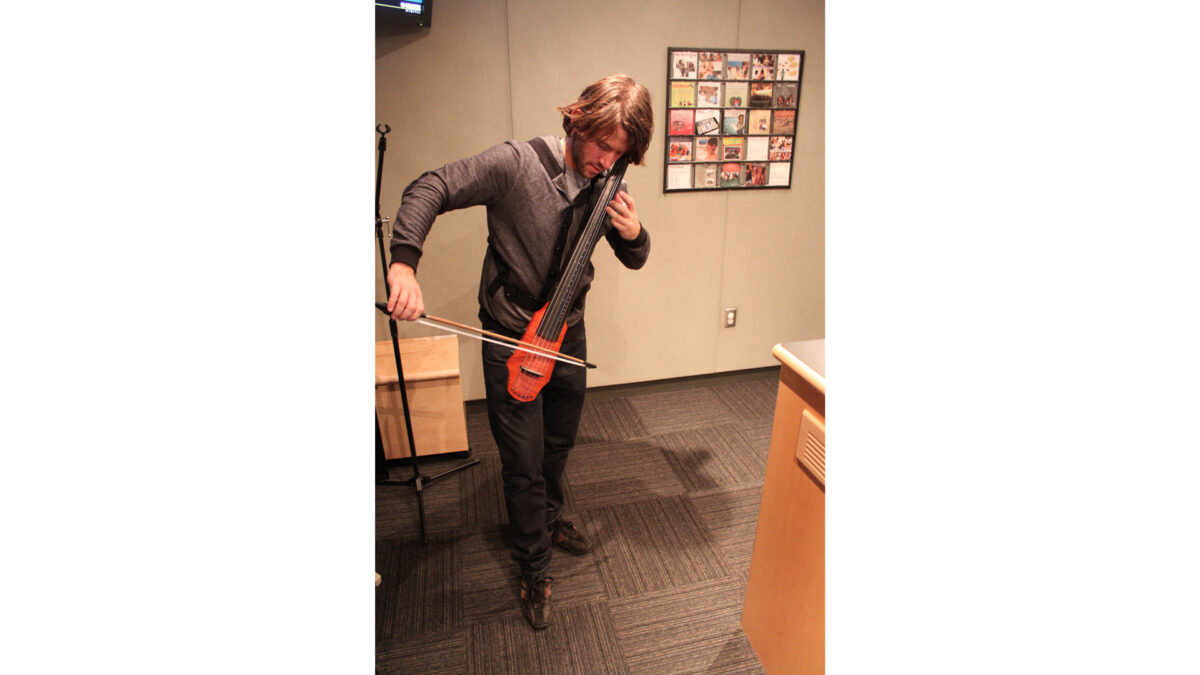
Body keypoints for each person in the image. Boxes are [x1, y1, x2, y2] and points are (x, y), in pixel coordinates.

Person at [385, 73, 654, 630]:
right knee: (523, 461)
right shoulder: (516, 164)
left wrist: (633, 234)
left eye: (619, 153)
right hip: (510, 334)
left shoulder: (608, 182)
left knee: (558, 443)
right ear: (577, 121)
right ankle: (533, 564)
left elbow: (635, 259)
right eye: (602, 145)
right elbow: (431, 185)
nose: (607, 161)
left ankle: (548, 522)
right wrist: (404, 263)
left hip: (568, 334)